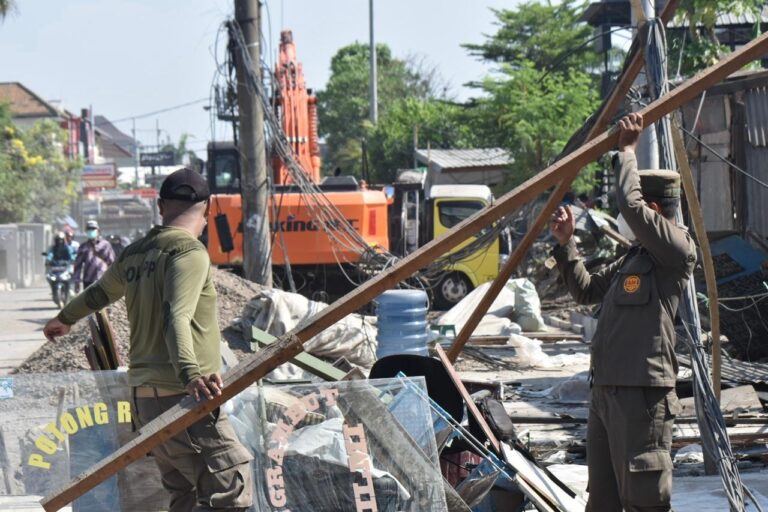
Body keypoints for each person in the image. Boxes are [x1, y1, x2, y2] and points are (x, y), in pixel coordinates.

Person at [43, 168, 254, 512]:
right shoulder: (189, 253)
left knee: (183, 492)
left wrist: (63, 318)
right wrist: (192, 376)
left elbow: (99, 294)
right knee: (232, 484)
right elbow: (176, 317)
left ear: (160, 206)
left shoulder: (135, 254)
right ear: (209, 207)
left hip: (145, 402)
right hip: (183, 396)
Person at [549, 112, 696, 511]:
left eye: (638, 211)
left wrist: (627, 152)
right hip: (607, 392)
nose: (628, 219)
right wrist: (567, 246)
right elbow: (585, 292)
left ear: (651, 208)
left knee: (643, 500)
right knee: (605, 502)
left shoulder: (675, 250)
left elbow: (628, 205)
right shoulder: (635, 258)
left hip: (642, 397)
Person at [72, 219, 115, 291]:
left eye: (93, 229)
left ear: (98, 231)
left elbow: (112, 263)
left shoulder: (105, 245)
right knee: (89, 301)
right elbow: (78, 265)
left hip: (103, 279)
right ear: (86, 231)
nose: (91, 230)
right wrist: (77, 281)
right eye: (89, 229)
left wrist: (113, 280)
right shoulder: (83, 246)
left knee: (103, 301)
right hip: (88, 281)